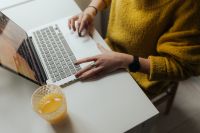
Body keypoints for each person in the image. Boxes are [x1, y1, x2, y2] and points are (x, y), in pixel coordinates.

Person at [68, 0, 200, 97]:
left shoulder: (190, 6)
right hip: (109, 51)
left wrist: (125, 61)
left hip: (142, 74)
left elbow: (184, 67)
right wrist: (91, 9)